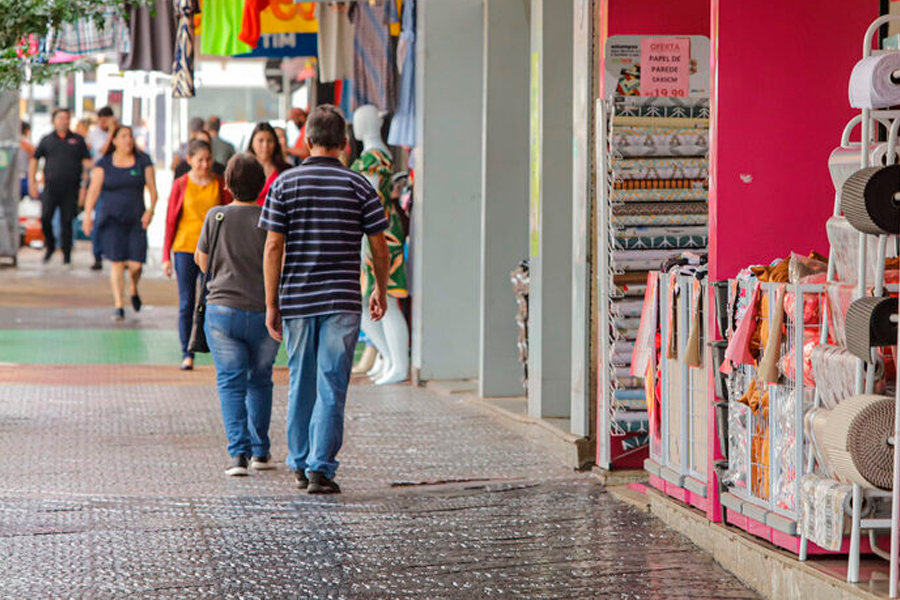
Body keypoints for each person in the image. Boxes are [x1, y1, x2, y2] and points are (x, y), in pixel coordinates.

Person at [260, 104, 390, 495]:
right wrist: (379, 287)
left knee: (302, 381)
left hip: (297, 300)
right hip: (342, 300)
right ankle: (320, 468)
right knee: (332, 382)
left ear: (308, 140)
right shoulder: (359, 186)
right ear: (344, 143)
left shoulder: (285, 184)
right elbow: (380, 247)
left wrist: (271, 303)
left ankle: (300, 463)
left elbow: (272, 247)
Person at [195, 154, 280, 476]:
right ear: (262, 186)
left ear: (227, 184)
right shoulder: (270, 218)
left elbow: (202, 262)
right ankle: (261, 452)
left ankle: (238, 457)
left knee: (231, 383)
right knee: (260, 380)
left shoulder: (215, 216)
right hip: (263, 311)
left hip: (222, 313)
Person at [163, 139, 232, 371]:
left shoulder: (219, 184)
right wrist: (166, 256)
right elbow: (171, 221)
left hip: (213, 251)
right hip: (185, 248)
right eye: (200, 160)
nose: (204, 164)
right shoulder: (181, 184)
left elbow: (229, 215)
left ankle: (213, 346)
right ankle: (187, 351)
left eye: (208, 159)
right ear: (189, 160)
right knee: (186, 301)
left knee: (211, 300)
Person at [82, 126, 159, 321]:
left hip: (136, 220)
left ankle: (133, 287)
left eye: (130, 136)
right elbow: (93, 191)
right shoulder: (104, 164)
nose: (128, 140)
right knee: (117, 262)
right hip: (111, 220)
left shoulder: (143, 161)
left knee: (135, 265)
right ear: (114, 140)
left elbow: (153, 190)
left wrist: (151, 211)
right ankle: (119, 305)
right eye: (123, 136)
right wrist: (88, 215)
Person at [28, 107, 92, 266]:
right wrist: (32, 182)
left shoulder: (78, 140)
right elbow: (34, 161)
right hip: (51, 188)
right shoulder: (47, 140)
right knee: (45, 218)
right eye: (60, 118)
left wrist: (85, 187)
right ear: (54, 120)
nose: (63, 121)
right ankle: (50, 245)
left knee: (67, 222)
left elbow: (86, 164)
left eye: (66, 118)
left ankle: (66, 254)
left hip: (71, 189)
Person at [86, 106, 116, 270]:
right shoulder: (96, 133)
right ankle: (97, 255)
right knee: (100, 219)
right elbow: (103, 151)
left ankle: (116, 253)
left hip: (117, 179)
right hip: (100, 180)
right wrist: (112, 132)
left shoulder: (120, 131)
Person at [247, 122, 290, 206]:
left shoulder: (286, 170)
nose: (265, 145)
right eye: (260, 140)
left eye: (270, 140)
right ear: (252, 143)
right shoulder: (244, 170)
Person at [18, 122, 34, 200]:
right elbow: (33, 161)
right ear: (27, 131)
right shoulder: (27, 144)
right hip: (23, 177)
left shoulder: (8, 142)